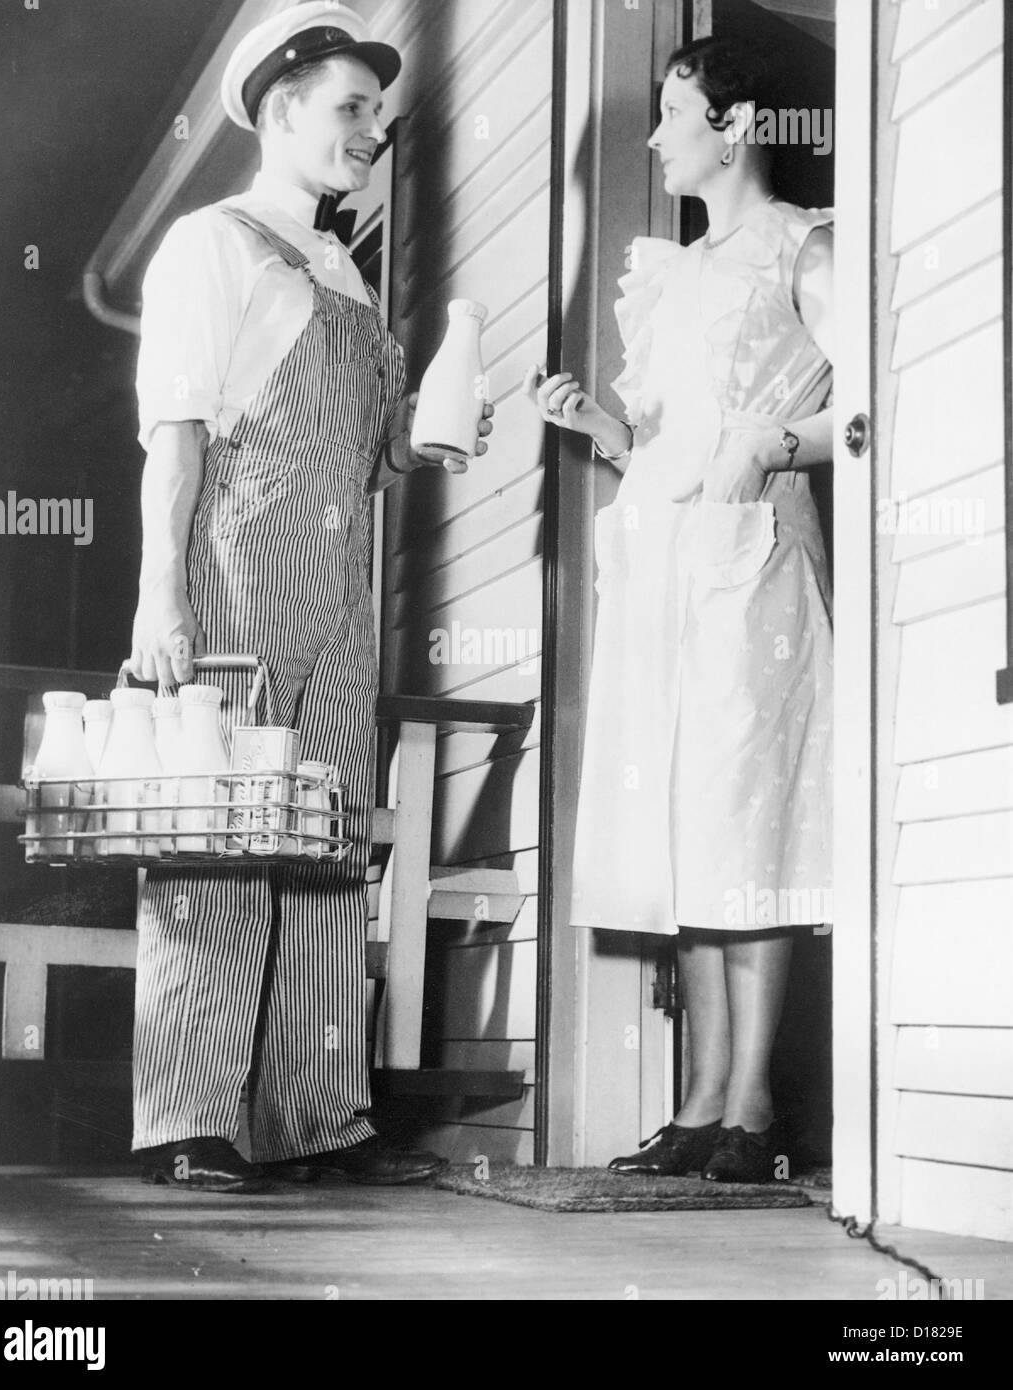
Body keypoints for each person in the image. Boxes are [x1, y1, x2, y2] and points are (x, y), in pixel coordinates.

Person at [129, 3, 493, 1193]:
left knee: (326, 838)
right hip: (235, 558)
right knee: (219, 833)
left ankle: (315, 1116)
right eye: (350, 109)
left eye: (378, 114)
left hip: (342, 586)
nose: (371, 132)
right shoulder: (213, 243)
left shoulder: (343, 268)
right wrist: (159, 603)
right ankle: (190, 1116)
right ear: (280, 112)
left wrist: (433, 433)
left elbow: (378, 450)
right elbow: (174, 444)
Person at [526, 35, 834, 1183]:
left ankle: (753, 1108)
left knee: (743, 817)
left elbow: (862, 404)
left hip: (753, 562)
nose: (655, 138)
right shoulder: (677, 269)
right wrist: (604, 437)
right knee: (687, 827)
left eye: (674, 113)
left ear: (741, 125)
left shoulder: (804, 247)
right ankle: (704, 1101)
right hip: (667, 564)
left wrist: (776, 442)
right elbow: (672, 444)